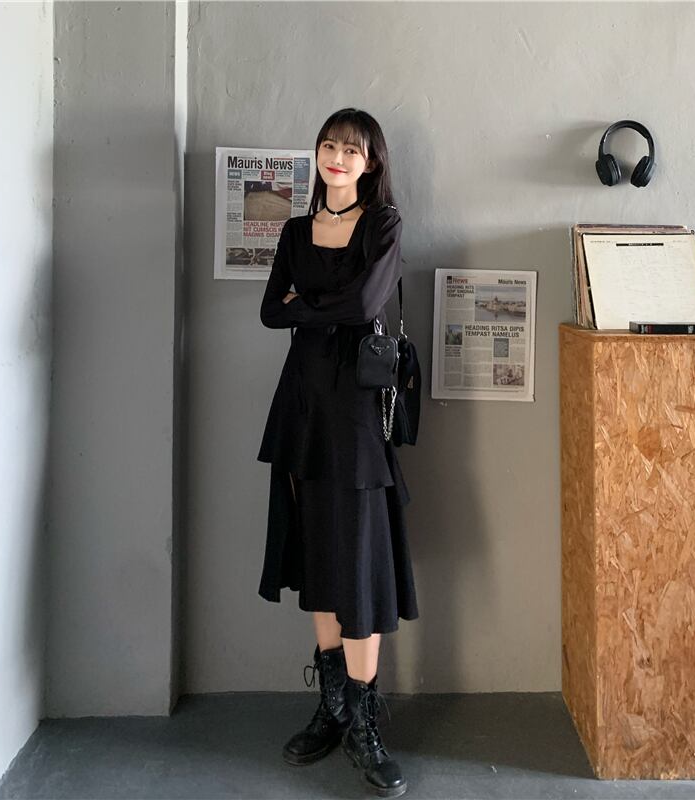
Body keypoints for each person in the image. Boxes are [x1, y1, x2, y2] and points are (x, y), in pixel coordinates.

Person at [257, 108, 419, 798]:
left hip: (355, 409)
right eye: (328, 146)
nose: (337, 158)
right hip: (302, 407)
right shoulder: (296, 231)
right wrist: (325, 303)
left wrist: (309, 302)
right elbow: (271, 310)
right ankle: (333, 708)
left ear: (371, 162)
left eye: (352, 150)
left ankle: (364, 723)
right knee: (317, 552)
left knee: (358, 561)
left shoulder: (383, 225)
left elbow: (363, 306)